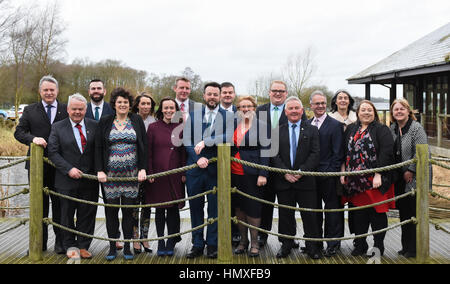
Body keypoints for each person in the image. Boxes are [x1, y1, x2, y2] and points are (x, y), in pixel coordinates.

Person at [14, 75, 68, 254]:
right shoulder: (30, 110)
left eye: (52, 90)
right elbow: (19, 132)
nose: (49, 93)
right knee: (39, 205)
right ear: (40, 91)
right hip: (37, 167)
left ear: (57, 91)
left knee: (60, 205)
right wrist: (33, 139)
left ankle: (60, 243)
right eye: (45, 90)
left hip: (60, 166)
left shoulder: (65, 109)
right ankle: (39, 243)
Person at [95, 87, 148, 261]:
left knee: (128, 213)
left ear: (130, 104)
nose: (123, 105)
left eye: (125, 102)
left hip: (131, 176)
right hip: (109, 176)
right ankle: (111, 247)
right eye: (119, 102)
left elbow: (143, 146)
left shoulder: (136, 120)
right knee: (111, 213)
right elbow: (99, 147)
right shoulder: (105, 121)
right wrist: (100, 170)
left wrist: (143, 168)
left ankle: (127, 247)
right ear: (114, 104)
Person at [182, 82, 233, 259]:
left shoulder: (228, 116)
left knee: (214, 209)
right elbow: (187, 141)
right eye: (209, 94)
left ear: (219, 96)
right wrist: (197, 159)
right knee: (195, 208)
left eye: (215, 94)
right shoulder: (194, 116)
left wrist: (207, 141)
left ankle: (212, 244)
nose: (212, 97)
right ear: (204, 96)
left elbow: (229, 136)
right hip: (195, 171)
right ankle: (197, 244)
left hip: (216, 170)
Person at [340, 100, 395, 257]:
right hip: (354, 182)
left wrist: (378, 174)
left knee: (377, 214)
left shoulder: (382, 129)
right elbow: (344, 152)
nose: (366, 112)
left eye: (369, 110)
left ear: (374, 112)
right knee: (358, 215)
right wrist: (343, 171)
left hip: (374, 180)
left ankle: (378, 246)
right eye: (363, 110)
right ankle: (360, 244)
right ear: (358, 112)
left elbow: (386, 152)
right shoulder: (351, 128)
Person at [48, 94, 99, 259]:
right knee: (66, 214)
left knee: (87, 213)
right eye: (74, 109)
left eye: (81, 109)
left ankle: (83, 246)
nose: (77, 112)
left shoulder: (95, 125)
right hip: (66, 179)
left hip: (89, 180)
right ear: (68, 109)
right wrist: (68, 169)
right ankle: (69, 245)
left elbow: (99, 151)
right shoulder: (57, 127)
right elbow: (53, 152)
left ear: (85, 109)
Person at [271, 96, 322, 259]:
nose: (294, 111)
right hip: (284, 181)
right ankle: (286, 245)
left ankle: (312, 247)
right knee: (285, 215)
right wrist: (285, 172)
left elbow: (315, 153)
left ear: (302, 111)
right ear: (285, 112)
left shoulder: (312, 129)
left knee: (309, 215)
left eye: (296, 108)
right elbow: (274, 155)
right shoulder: (277, 131)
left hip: (305, 181)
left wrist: (301, 171)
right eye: (290, 108)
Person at [146, 97, 186, 257]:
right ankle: (161, 241)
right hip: (158, 174)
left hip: (175, 173)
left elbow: (184, 151)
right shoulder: (153, 127)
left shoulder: (181, 127)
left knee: (173, 210)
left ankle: (171, 240)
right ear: (161, 110)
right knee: (160, 210)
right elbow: (148, 152)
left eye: (172, 108)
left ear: (176, 110)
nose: (169, 111)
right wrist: (150, 172)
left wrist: (183, 173)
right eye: (166, 108)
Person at [390, 98, 428, 258]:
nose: (399, 111)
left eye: (402, 109)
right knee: (404, 213)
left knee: (413, 212)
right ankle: (405, 247)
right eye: (396, 109)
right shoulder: (392, 128)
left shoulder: (416, 128)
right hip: (398, 177)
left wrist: (411, 170)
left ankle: (414, 248)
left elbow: (422, 151)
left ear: (408, 111)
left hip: (414, 177)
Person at [231, 96, 269, 257]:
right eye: (241, 107)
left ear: (254, 108)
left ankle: (254, 243)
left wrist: (263, 173)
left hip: (253, 173)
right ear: (238, 109)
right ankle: (243, 241)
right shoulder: (234, 124)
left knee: (253, 209)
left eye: (248, 106)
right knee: (239, 209)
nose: (245, 109)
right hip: (234, 173)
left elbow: (267, 150)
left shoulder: (262, 126)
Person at [309, 90, 344, 257]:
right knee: (314, 211)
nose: (321, 106)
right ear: (311, 105)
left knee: (332, 210)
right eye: (317, 103)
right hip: (310, 176)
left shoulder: (335, 125)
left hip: (329, 176)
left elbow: (338, 154)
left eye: (323, 103)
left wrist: (330, 173)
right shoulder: (307, 124)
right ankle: (315, 243)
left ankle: (333, 243)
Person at [130, 92, 156, 254]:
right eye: (143, 103)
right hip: (133, 167)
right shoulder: (130, 120)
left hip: (150, 169)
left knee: (147, 205)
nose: (146, 106)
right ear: (137, 105)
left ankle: (145, 237)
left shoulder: (155, 122)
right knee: (134, 205)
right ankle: (135, 237)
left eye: (149, 104)